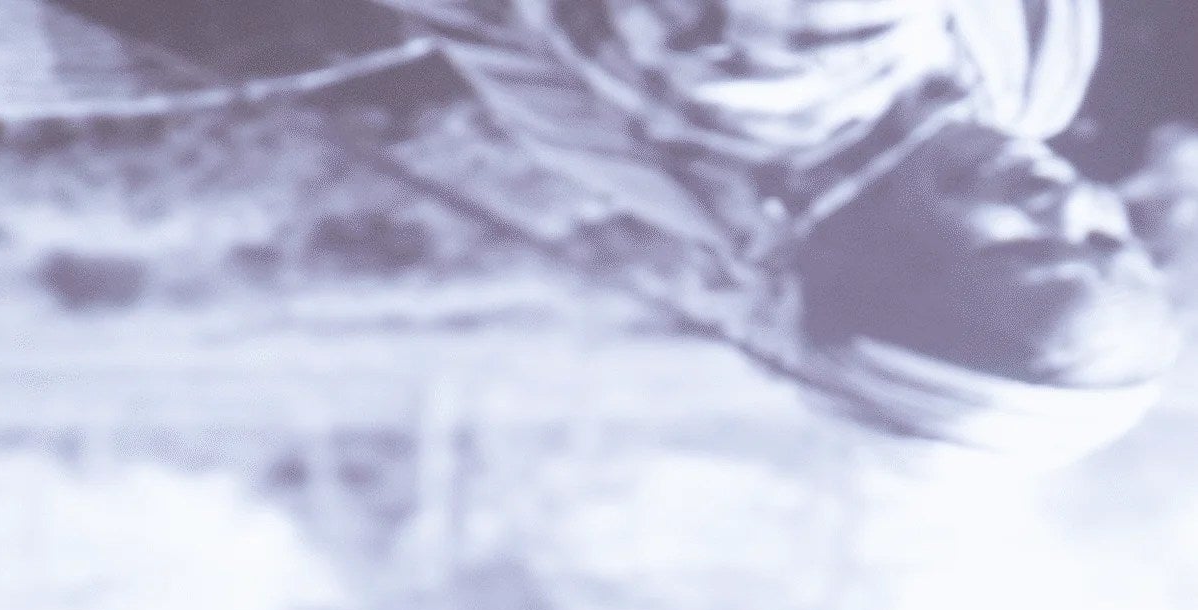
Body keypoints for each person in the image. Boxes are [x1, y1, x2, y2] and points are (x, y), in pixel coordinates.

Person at [352, 0, 1180, 455]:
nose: (1069, 203)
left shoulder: (787, 73)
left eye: (1025, 251)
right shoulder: (1015, 98)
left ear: (880, 273)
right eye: (1108, 241)